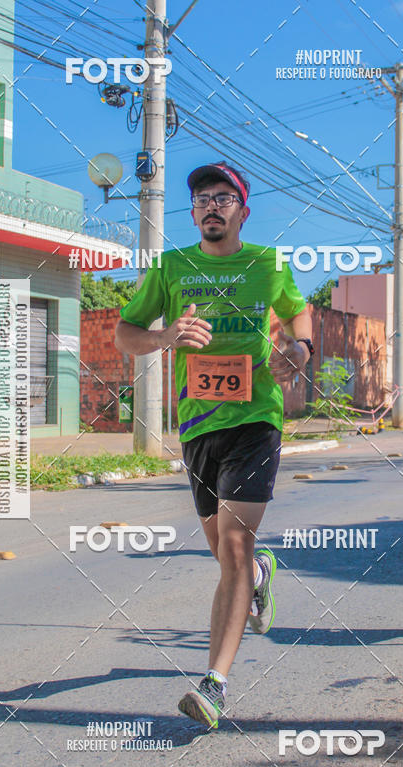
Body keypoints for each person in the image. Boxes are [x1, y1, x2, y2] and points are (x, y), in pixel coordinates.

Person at [114, 162, 313, 728]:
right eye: (202, 197)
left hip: (256, 419)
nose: (212, 205)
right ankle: (260, 573)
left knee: (232, 546)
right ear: (194, 211)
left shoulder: (267, 264)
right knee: (226, 554)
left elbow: (298, 315)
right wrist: (165, 336)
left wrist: (298, 353)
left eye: (224, 197)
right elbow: (126, 334)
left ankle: (215, 684)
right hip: (199, 428)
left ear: (242, 212)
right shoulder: (171, 267)